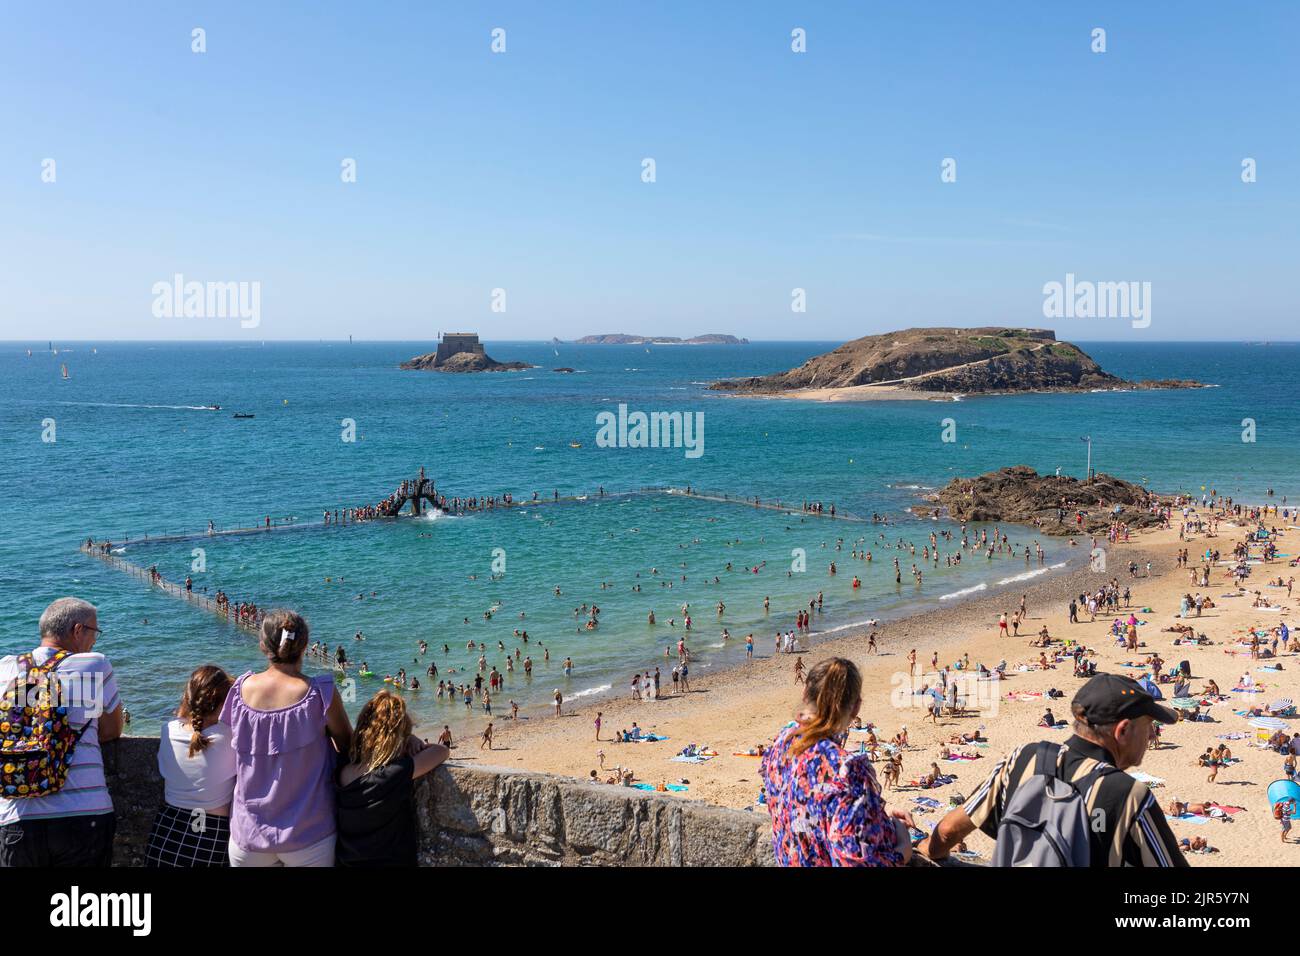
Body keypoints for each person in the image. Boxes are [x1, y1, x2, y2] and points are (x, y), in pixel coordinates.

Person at [917, 673, 1187, 867]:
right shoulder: (1130, 796)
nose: (1152, 734)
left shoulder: (1021, 759)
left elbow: (949, 831)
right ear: (1123, 730)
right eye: (1148, 724)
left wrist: (927, 851)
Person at [221, 610, 352, 867]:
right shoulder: (320, 693)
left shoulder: (239, 690)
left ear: (262, 645)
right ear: (304, 646)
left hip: (248, 835)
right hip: (308, 832)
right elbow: (348, 743)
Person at [0, 597, 123, 867]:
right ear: (78, 631)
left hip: (17, 817)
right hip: (85, 813)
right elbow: (112, 730)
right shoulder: (94, 665)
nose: (94, 641)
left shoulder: (5, 668)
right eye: (94, 633)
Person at [760, 657, 913, 866]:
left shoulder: (783, 743)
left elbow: (813, 814)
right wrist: (904, 848)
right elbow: (855, 861)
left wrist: (877, 816)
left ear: (805, 694)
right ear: (856, 708)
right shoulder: (846, 770)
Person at [335, 690, 448, 866]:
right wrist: (410, 738)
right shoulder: (393, 774)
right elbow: (441, 751)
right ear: (397, 739)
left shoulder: (342, 769)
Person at [147, 665, 236, 867]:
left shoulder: (168, 730)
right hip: (209, 832)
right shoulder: (230, 737)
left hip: (167, 829)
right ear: (223, 703)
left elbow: (182, 720)